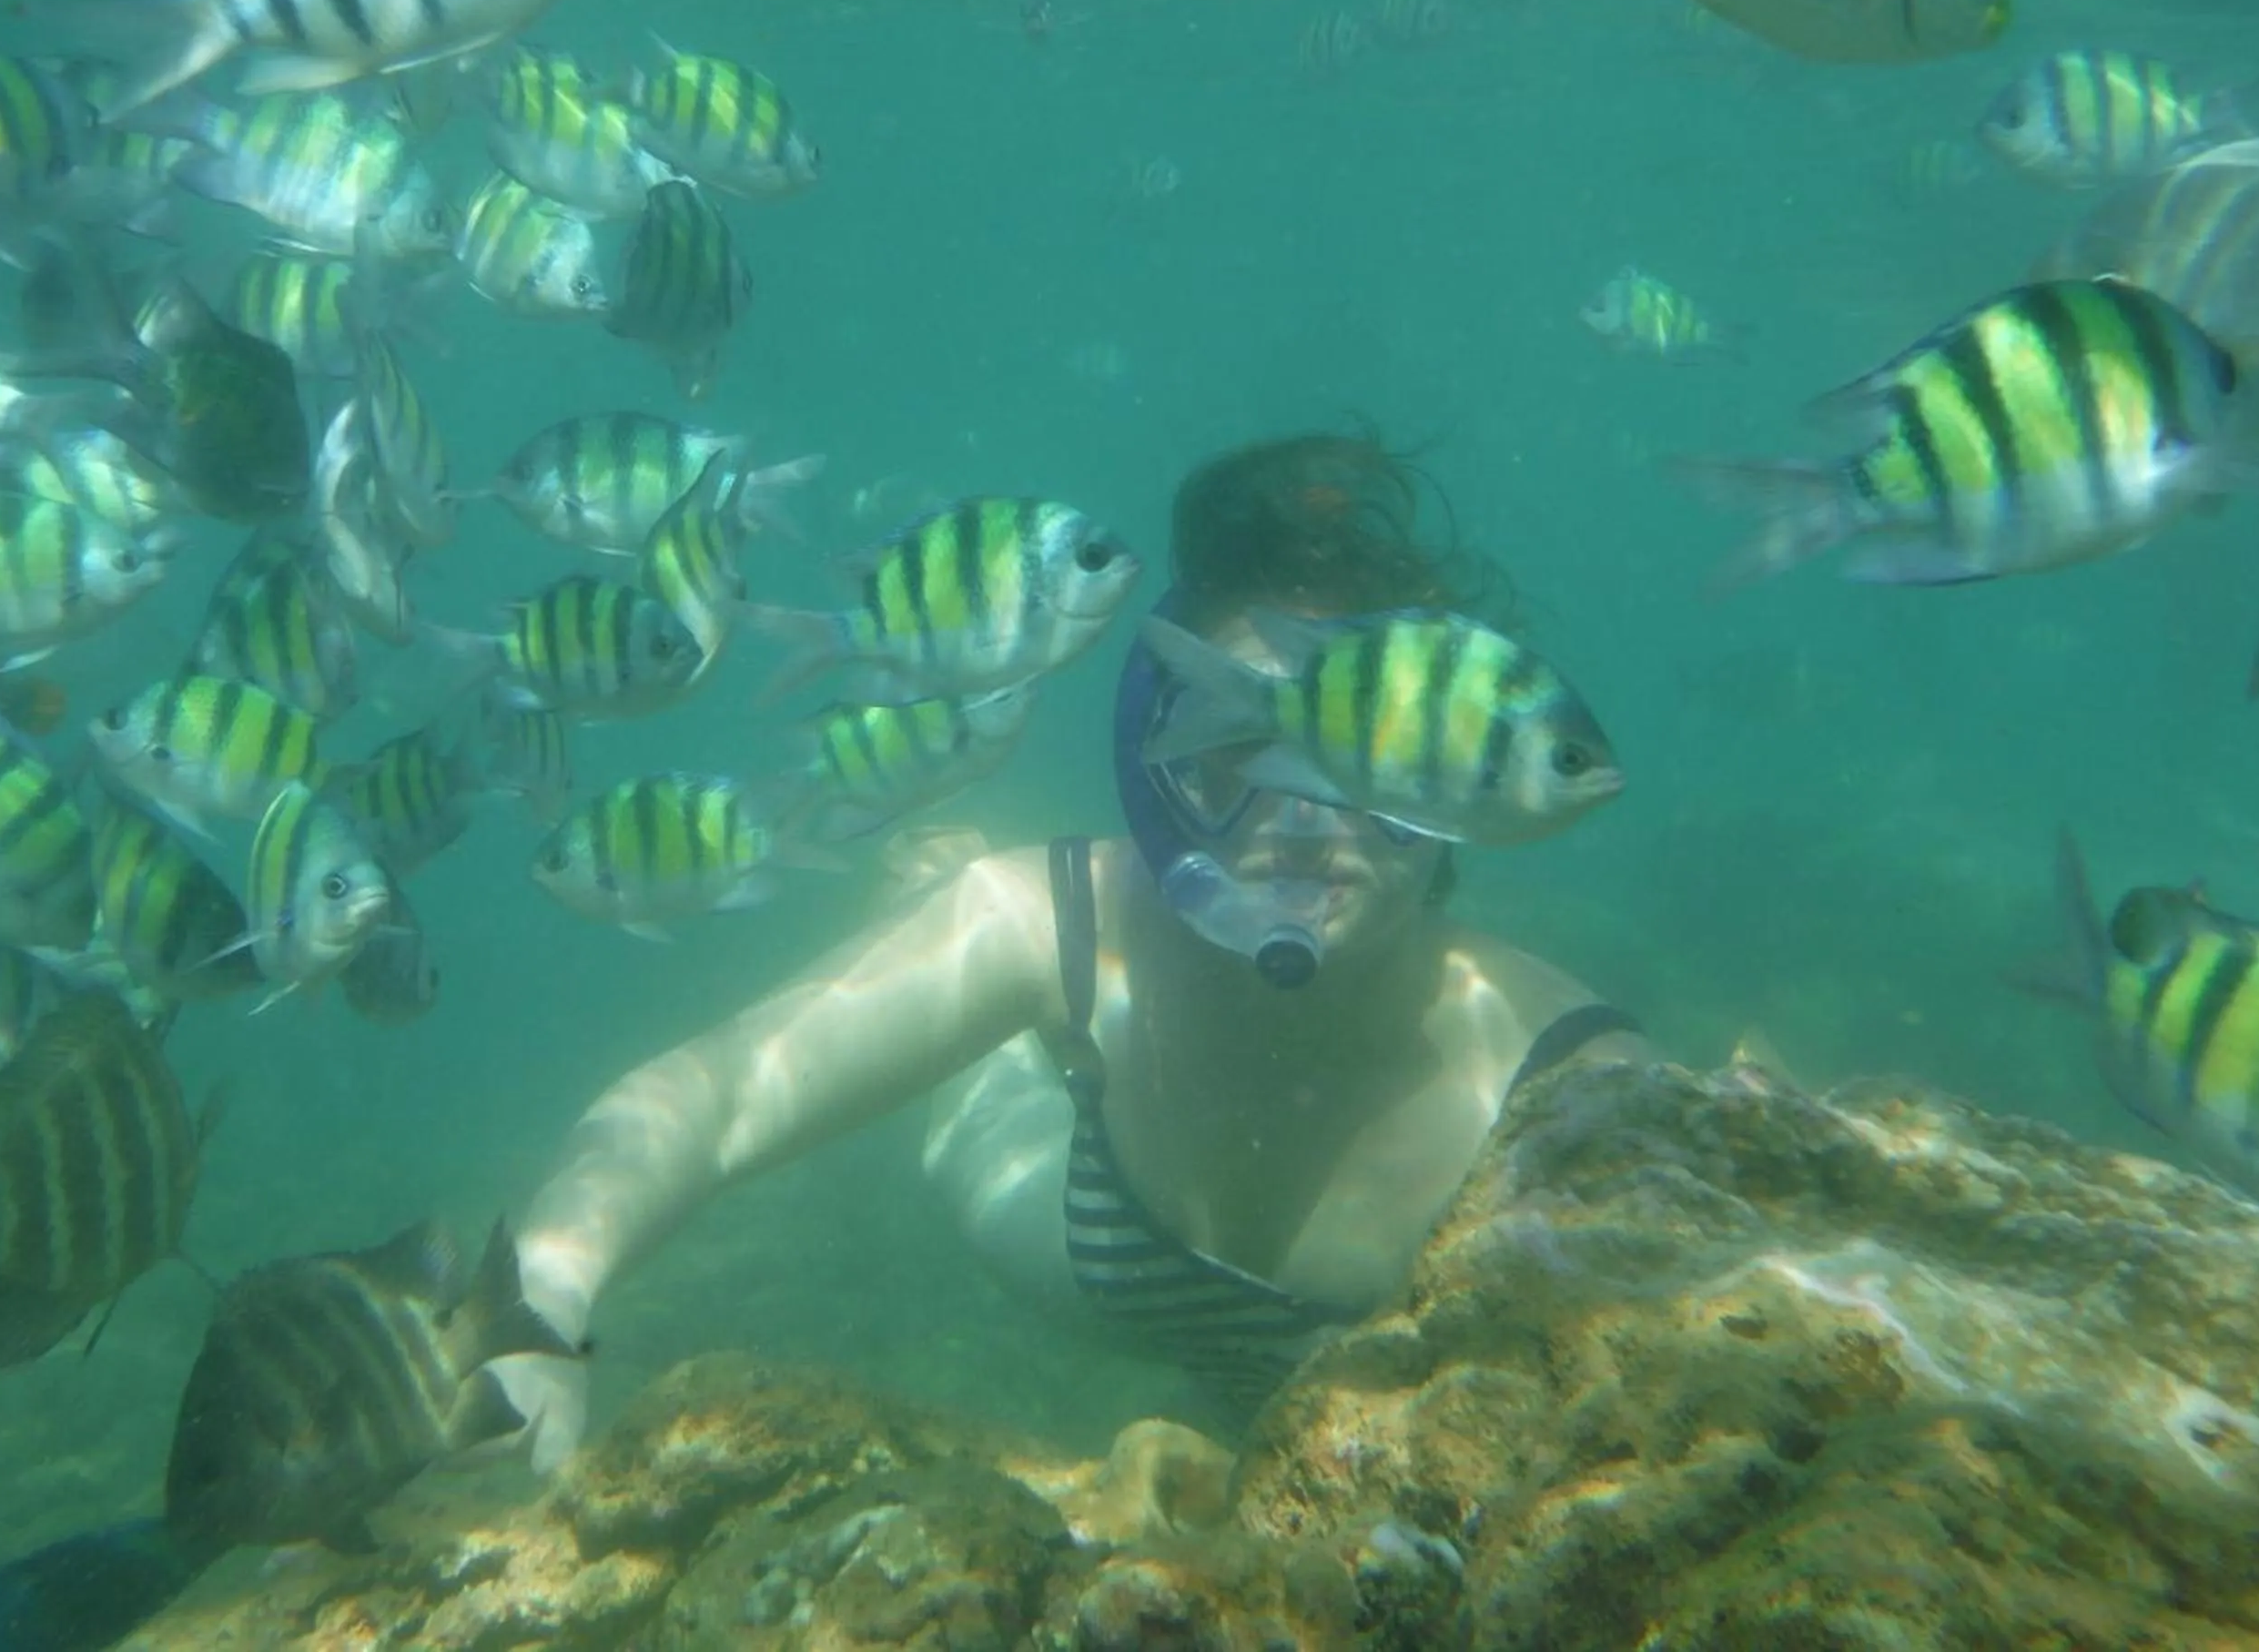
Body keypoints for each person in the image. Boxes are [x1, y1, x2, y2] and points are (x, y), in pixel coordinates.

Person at [496, 434, 1646, 1467]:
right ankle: (938, 906)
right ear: (1155, 761)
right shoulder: (1055, 921)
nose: (1304, 819)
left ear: (1464, 799)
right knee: (966, 1042)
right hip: (1075, 1217)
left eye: (1371, 765)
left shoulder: (1562, 1080)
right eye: (1237, 753)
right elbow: (712, 1097)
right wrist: (542, 1299)